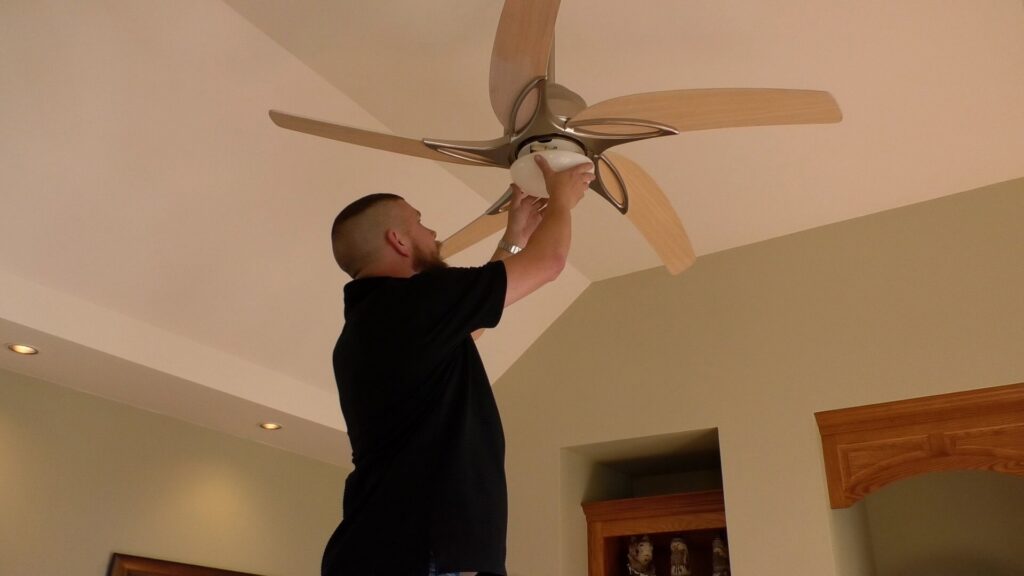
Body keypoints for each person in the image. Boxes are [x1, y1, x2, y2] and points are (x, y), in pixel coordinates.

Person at [321, 155, 594, 576]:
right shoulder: (411, 303)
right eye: (420, 222)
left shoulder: (370, 326)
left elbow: (465, 331)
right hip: (423, 552)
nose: (432, 233)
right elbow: (549, 263)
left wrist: (514, 239)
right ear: (398, 240)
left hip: (392, 549)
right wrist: (562, 198)